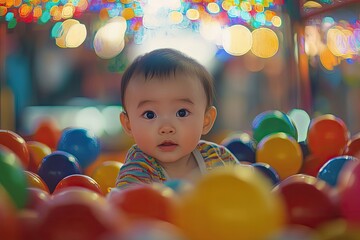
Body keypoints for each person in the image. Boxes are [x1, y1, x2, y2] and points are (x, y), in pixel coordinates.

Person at [115, 48, 240, 190]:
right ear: (129, 125)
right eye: (150, 114)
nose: (166, 128)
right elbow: (127, 206)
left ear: (206, 120)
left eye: (182, 113)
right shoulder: (138, 169)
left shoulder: (218, 158)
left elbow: (249, 193)